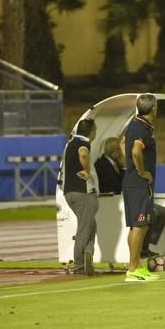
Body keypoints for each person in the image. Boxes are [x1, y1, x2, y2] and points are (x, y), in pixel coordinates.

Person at [123, 94, 161, 282]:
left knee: (137, 226)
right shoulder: (142, 127)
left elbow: (122, 144)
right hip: (138, 183)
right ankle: (132, 269)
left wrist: (128, 166)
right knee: (140, 224)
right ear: (154, 108)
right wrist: (141, 171)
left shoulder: (134, 123)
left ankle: (136, 265)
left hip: (132, 181)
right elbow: (135, 150)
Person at [63, 118, 98, 276]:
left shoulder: (70, 143)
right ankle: (79, 265)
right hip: (82, 192)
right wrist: (88, 171)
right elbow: (83, 154)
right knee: (85, 228)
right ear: (91, 132)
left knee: (90, 225)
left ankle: (88, 253)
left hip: (69, 191)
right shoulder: (83, 143)